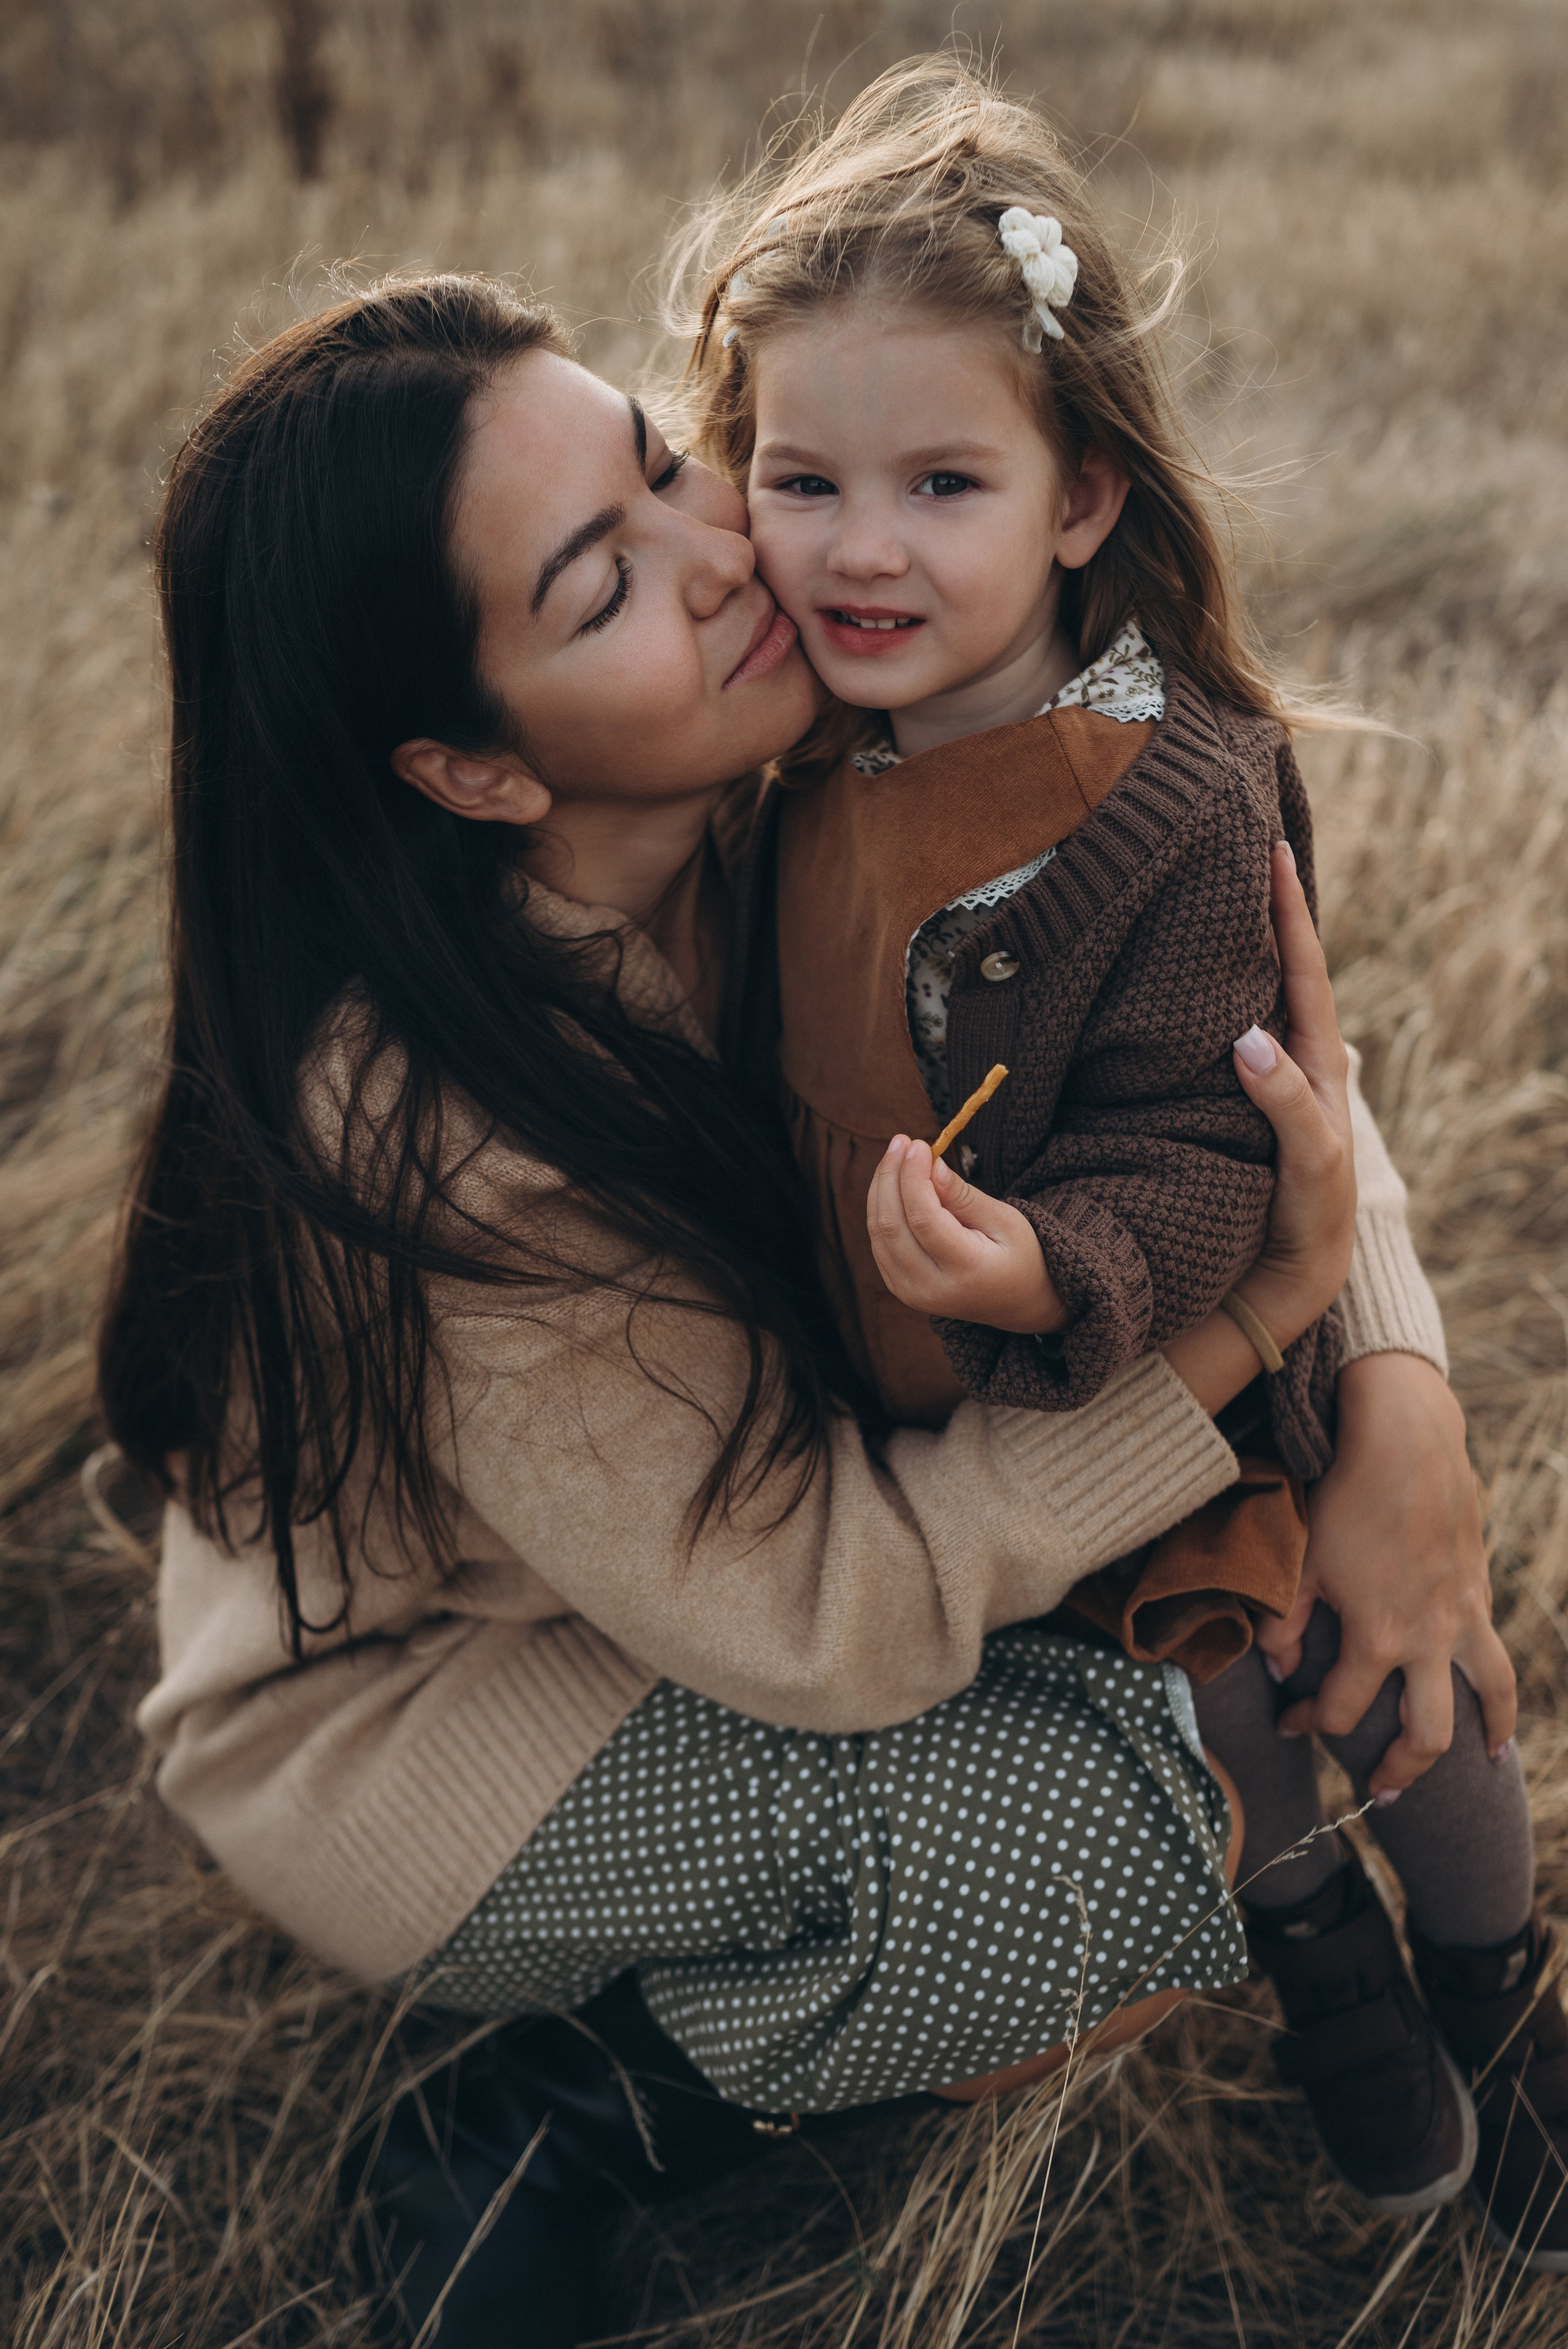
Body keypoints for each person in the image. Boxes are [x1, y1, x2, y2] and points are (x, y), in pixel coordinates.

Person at [96, 273, 1513, 2339]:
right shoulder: (441, 1140)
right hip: (451, 1711)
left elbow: (1233, 1074)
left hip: (719, 1520)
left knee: (1251, 1637)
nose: (731, 554)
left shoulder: (792, 754)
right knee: (1126, 1815)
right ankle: (565, 2113)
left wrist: (1395, 1388)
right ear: (477, 773)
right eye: (604, 584)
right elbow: (820, 1608)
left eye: (665, 463)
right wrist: (1232, 1354)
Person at [673, 58, 1564, 2257]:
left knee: (1391, 1704)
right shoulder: (790, 775)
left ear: (1079, 503)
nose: (863, 545)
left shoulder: (1171, 797)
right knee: (1211, 1760)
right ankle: (1317, 1958)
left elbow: (1227, 1141)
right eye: (804, 479)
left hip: (1191, 1387)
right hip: (961, 1467)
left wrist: (1048, 1268)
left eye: (944, 482)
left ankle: (1495, 1981)